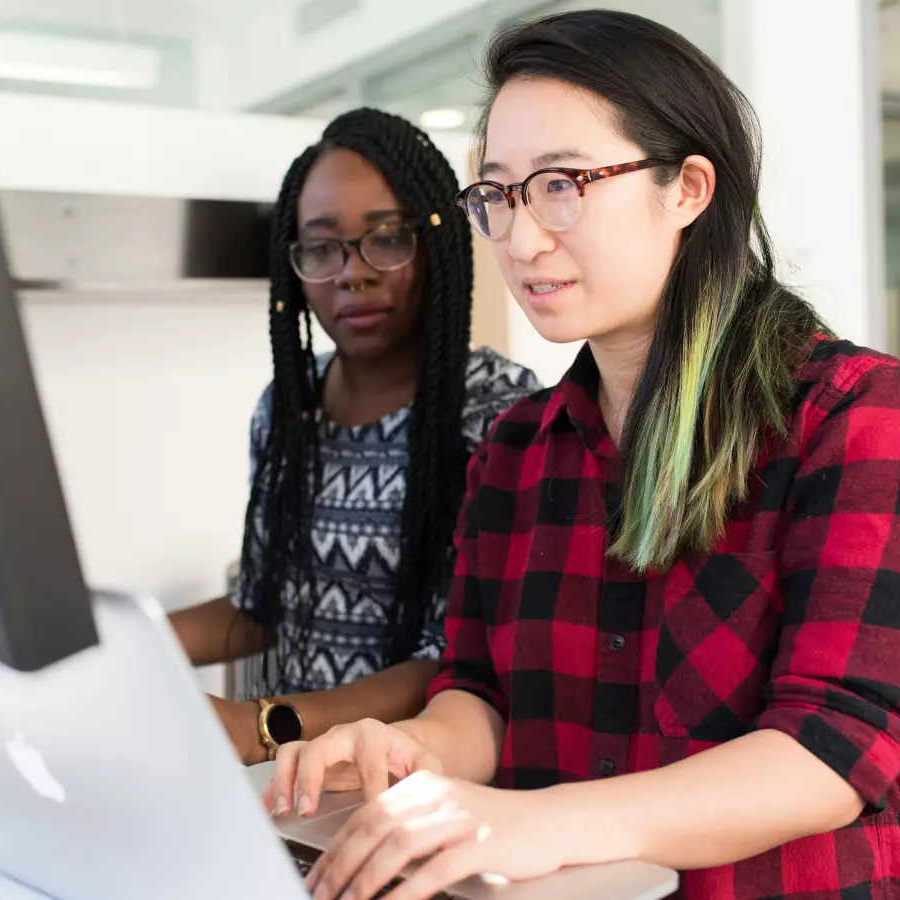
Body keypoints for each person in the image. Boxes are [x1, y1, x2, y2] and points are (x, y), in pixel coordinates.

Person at [264, 12, 900, 900]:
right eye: (498, 195)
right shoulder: (516, 449)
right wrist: (414, 746)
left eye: (562, 184)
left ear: (688, 189)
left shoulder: (853, 416)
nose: (521, 242)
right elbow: (479, 694)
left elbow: (836, 746)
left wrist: (541, 820)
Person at [169, 108, 539, 766]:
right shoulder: (289, 408)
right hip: (300, 785)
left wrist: (262, 725)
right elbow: (264, 602)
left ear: (436, 244)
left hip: (424, 785)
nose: (352, 272)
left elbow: (459, 659)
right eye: (321, 247)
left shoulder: (498, 414)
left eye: (387, 238)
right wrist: (119, 646)